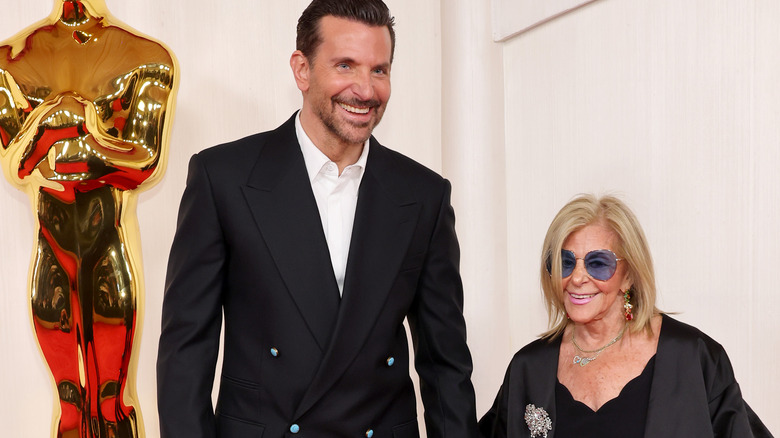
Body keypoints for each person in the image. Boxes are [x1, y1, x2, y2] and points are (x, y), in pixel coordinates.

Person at [156, 1, 479, 437]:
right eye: (345, 66)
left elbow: (446, 368)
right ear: (302, 70)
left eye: (379, 70)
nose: (365, 90)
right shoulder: (224, 179)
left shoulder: (424, 195)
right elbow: (184, 356)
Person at [0, 1, 177, 436]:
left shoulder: (145, 56)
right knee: (70, 402)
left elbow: (144, 163)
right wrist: (48, 122)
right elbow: (16, 167)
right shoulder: (10, 60)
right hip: (52, 247)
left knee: (111, 398)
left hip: (108, 244)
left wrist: (84, 132)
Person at [478, 194, 772, 438]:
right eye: (565, 263)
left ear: (629, 275)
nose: (577, 278)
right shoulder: (529, 369)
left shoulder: (693, 358)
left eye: (598, 263)